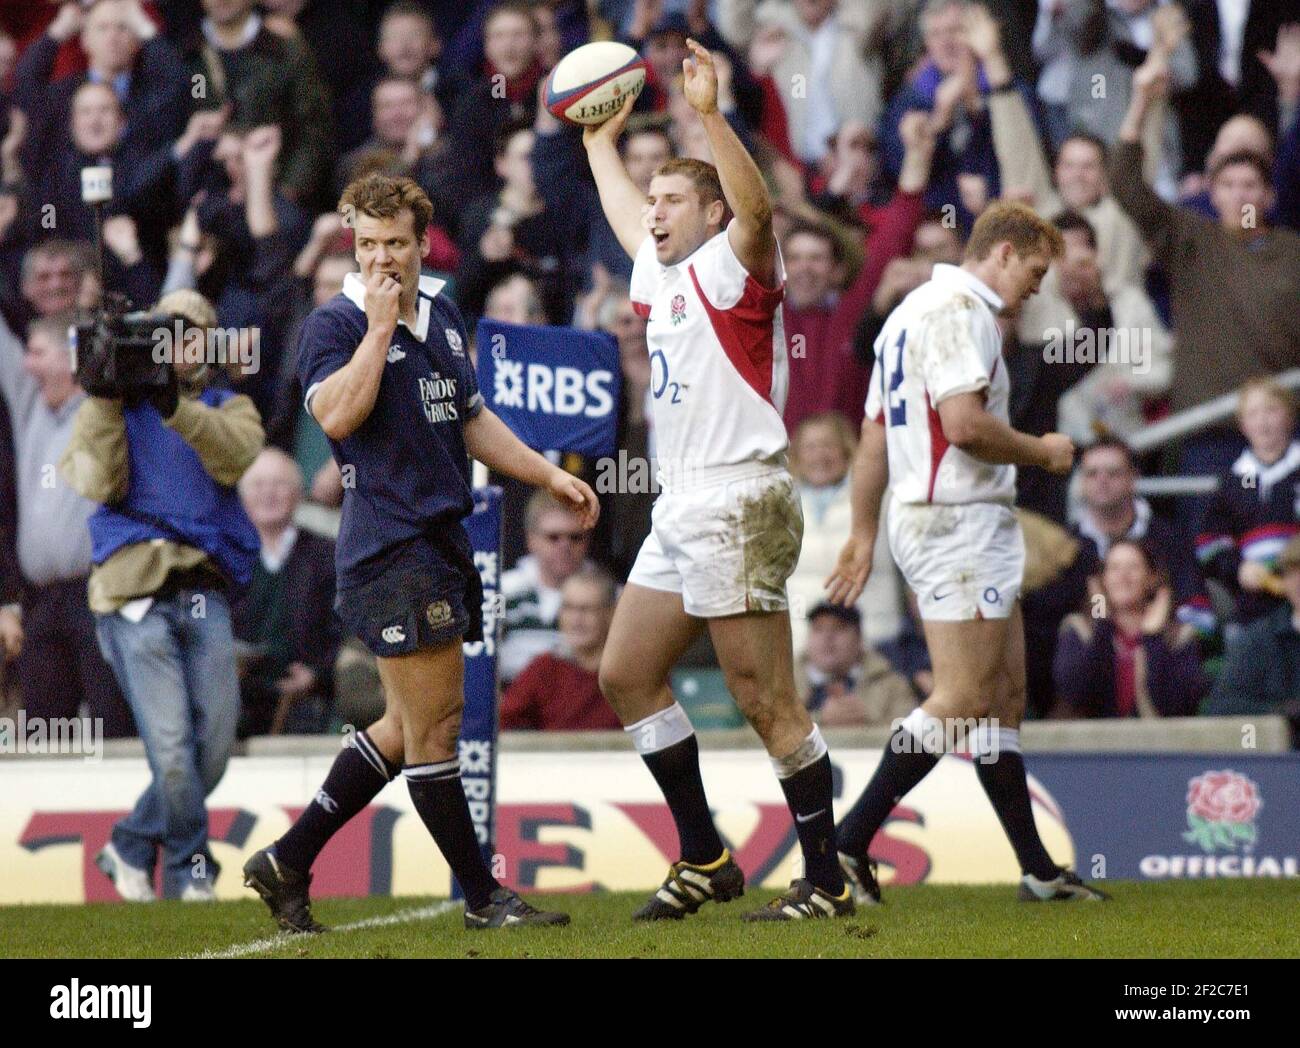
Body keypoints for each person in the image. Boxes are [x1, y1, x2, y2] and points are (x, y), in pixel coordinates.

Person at [241, 172, 598, 932]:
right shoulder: (333, 326)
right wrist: (376, 329)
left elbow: (469, 418)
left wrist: (546, 476)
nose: (381, 259)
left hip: (443, 539)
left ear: (421, 242)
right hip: (388, 548)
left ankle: (286, 862)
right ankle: (481, 899)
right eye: (367, 245)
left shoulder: (439, 311)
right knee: (440, 730)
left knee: (406, 729)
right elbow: (339, 415)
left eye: (395, 243)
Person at [585, 40, 852, 921]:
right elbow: (626, 215)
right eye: (652, 198)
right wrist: (596, 139)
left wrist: (707, 110)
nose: (654, 213)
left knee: (764, 700)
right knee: (625, 672)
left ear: (708, 213)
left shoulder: (735, 265)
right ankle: (705, 856)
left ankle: (825, 877)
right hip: (683, 502)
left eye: (672, 201)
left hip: (738, 492)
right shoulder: (661, 273)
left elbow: (760, 208)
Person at [826, 200, 1109, 904]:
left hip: (955, 520)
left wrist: (863, 532)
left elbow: (872, 438)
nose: (1037, 288)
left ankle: (1038, 872)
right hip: (954, 522)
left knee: (1003, 700)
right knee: (964, 697)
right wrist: (1041, 451)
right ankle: (846, 845)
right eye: (1036, 271)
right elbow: (965, 424)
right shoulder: (962, 314)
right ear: (1004, 252)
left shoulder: (906, 315)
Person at [58, 288, 264, 901]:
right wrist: (102, 397)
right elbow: (98, 481)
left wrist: (174, 406)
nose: (177, 345)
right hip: (132, 591)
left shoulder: (231, 404)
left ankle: (127, 842)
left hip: (203, 586)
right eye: (165, 333)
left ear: (209, 342)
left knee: (214, 746)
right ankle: (188, 871)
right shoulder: (115, 407)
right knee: (173, 747)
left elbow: (235, 458)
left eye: (191, 332)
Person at [0, 313, 131, 737]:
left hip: (97, 591)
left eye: (37, 352)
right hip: (41, 600)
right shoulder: (29, 406)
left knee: (112, 715)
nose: (26, 364)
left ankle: (124, 803)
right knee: (44, 723)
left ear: (71, 358)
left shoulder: (104, 409)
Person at [233, 448, 339, 736]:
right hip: (238, 698)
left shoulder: (327, 556)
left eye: (279, 484)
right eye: (258, 485)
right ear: (242, 497)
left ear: (298, 493)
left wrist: (317, 675)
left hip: (307, 698)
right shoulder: (228, 558)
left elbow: (344, 628)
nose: (269, 494)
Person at [786, 411, 903, 659]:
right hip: (804, 650)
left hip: (875, 642)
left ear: (847, 450)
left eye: (828, 445)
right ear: (797, 455)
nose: (820, 455)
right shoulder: (781, 504)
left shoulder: (881, 495)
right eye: (810, 447)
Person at [1052, 539, 1205, 719]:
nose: (1123, 576)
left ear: (1152, 578)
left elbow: (1175, 706)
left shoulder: (1178, 636)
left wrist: (1152, 639)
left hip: (1157, 743)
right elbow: (1075, 695)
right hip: (1090, 743)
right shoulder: (1079, 628)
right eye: (1114, 568)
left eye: (1133, 567)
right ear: (1103, 580)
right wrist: (1102, 621)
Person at [1196, 379, 1300, 629]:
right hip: (1254, 605)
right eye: (1253, 414)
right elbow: (1209, 543)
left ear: (1289, 417)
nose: (1263, 423)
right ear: (1242, 425)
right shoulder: (1234, 481)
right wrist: (1239, 568)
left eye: (1271, 410)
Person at [500, 566, 623, 731]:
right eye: (568, 608)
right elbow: (503, 722)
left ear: (610, 613)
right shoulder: (545, 668)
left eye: (586, 609)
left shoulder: (629, 673)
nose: (576, 619)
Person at [1204, 532, 1300, 737]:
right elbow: (1222, 707)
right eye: (1292, 572)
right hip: (1277, 760)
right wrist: (1282, 713)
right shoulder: (1260, 639)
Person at [500, 490, 594, 683]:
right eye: (554, 537)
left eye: (575, 537)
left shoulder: (610, 598)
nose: (565, 546)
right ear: (531, 539)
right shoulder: (500, 592)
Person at [796, 602, 916, 728]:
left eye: (839, 628)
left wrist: (865, 722)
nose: (827, 637)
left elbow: (909, 737)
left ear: (859, 638)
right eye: (818, 629)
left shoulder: (893, 685)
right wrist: (819, 719)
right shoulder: (784, 684)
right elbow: (776, 731)